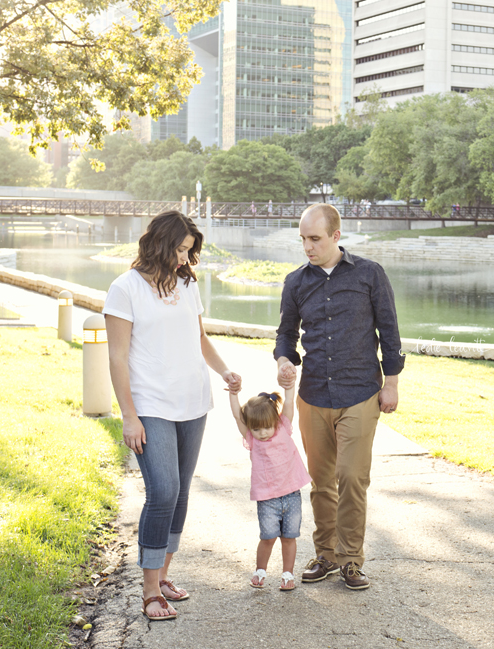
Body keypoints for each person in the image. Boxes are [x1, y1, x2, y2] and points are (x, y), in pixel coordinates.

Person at [104, 210, 243, 622]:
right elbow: (116, 357)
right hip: (150, 405)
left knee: (180, 494)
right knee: (162, 492)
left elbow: (199, 337)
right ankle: (148, 592)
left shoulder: (186, 284)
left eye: (189, 251)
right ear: (162, 244)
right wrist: (129, 416)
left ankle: (163, 576)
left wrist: (224, 371)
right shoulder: (124, 289)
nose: (185, 259)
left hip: (192, 401)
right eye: (181, 250)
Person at [274, 203, 403, 591]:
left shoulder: (369, 275)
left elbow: (389, 330)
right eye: (303, 239)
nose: (308, 247)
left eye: (315, 239)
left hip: (361, 392)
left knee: (351, 477)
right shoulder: (296, 282)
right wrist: (284, 359)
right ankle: (326, 556)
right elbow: (286, 334)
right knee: (321, 481)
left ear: (336, 236)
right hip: (313, 395)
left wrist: (392, 383)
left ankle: (350, 559)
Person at [228, 390, 312, 591]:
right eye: (256, 429)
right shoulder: (252, 439)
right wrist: (233, 394)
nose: (262, 433)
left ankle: (288, 575)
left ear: (275, 422)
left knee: (289, 538)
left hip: (291, 495)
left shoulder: (283, 428)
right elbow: (236, 415)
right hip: (267, 499)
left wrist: (289, 387)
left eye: (267, 427)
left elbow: (290, 403)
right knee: (267, 538)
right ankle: (260, 571)